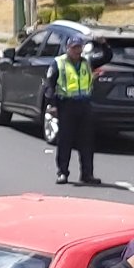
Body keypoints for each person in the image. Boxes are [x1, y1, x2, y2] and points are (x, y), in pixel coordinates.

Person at [45, 35, 98, 185]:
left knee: (87, 142)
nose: (77, 51)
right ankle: (62, 173)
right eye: (74, 48)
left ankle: (87, 174)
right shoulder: (59, 63)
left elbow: (107, 56)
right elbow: (49, 85)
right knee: (65, 141)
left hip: (84, 105)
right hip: (66, 105)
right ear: (68, 48)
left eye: (79, 47)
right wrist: (52, 104)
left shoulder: (86, 62)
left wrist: (103, 44)